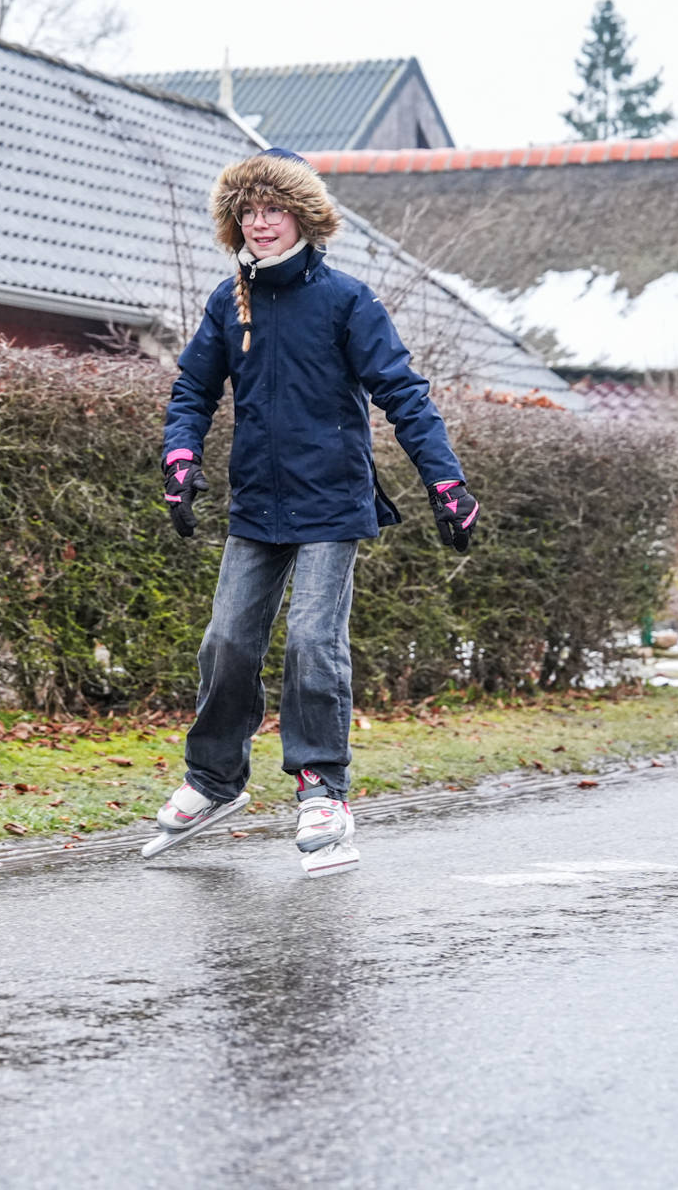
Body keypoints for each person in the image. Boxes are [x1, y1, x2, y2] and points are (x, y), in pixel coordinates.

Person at [152, 148, 480, 875]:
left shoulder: (346, 301)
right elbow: (191, 394)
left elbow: (405, 395)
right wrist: (180, 457)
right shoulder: (225, 302)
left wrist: (446, 484)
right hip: (258, 505)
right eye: (248, 211)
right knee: (227, 641)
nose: (260, 223)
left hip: (333, 502)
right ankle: (212, 780)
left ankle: (322, 788)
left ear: (302, 214)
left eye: (273, 210)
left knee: (311, 639)